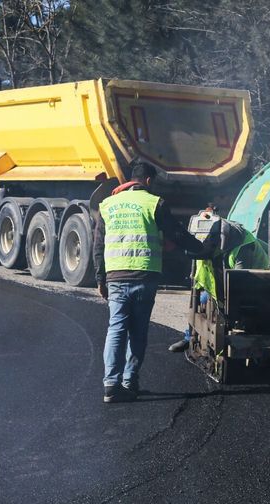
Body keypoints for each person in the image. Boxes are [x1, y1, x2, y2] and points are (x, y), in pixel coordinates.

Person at [93, 160, 203, 403]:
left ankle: (111, 384)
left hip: (116, 278)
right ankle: (130, 382)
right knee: (138, 332)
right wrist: (203, 250)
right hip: (145, 277)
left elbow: (98, 246)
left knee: (116, 329)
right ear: (149, 181)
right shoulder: (154, 203)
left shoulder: (108, 205)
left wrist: (100, 278)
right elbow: (177, 234)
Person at [168, 218, 270, 353]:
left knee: (236, 309)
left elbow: (238, 284)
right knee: (203, 299)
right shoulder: (209, 244)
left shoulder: (242, 249)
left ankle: (239, 335)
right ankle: (190, 336)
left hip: (255, 284)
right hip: (220, 282)